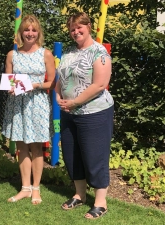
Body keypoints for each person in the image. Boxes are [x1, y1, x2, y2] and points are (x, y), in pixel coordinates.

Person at [56, 12, 114, 219]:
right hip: (69, 112)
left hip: (94, 112)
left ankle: (100, 202)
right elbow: (60, 78)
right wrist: (57, 96)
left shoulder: (99, 53)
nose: (75, 32)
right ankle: (80, 195)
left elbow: (99, 84)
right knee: (72, 155)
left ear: (88, 26)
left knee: (94, 155)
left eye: (79, 27)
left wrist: (75, 102)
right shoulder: (69, 53)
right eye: (72, 29)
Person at [1, 14, 56, 205]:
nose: (30, 33)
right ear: (21, 33)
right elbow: (8, 80)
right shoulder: (12, 55)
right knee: (22, 146)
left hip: (37, 103)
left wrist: (35, 85)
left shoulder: (45, 54)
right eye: (26, 29)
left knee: (36, 147)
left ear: (38, 32)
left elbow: (52, 82)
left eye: (33, 30)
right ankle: (25, 187)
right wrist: (10, 88)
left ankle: (36, 188)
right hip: (18, 104)